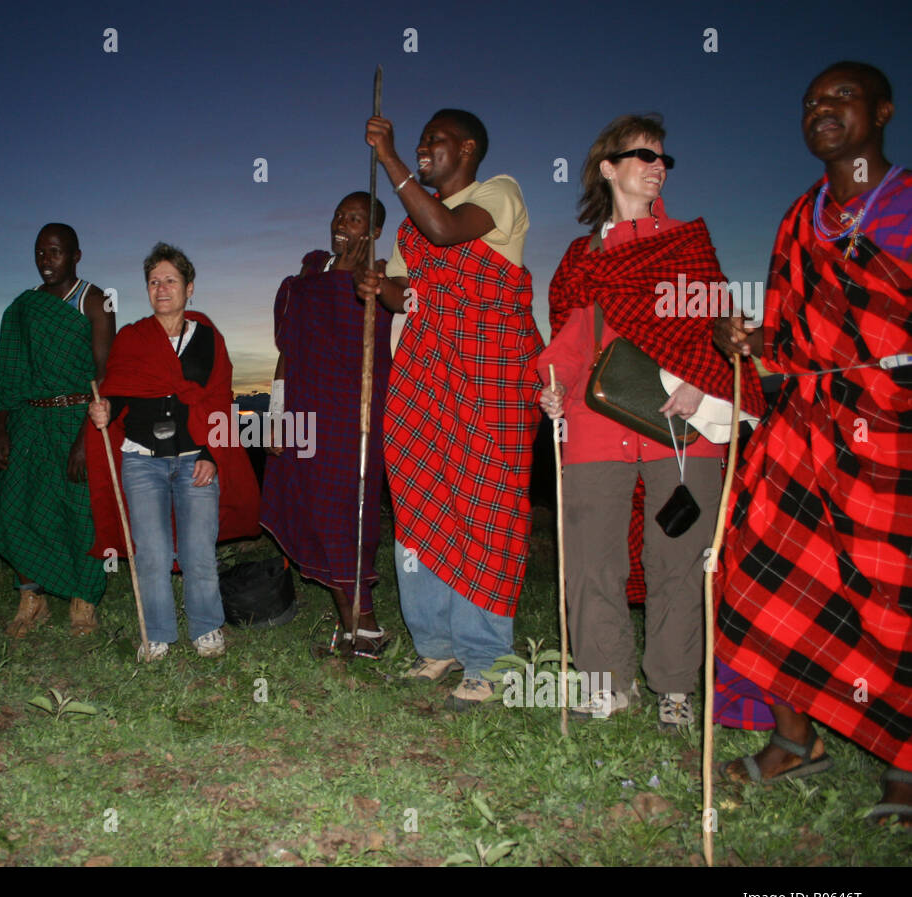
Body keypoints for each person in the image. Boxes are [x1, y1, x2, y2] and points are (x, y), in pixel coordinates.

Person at [713, 62, 912, 825]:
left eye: (841, 98)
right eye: (810, 103)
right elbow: (796, 334)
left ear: (883, 110)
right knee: (759, 574)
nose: (821, 110)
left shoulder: (905, 206)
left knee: (889, 600)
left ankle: (903, 760)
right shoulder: (801, 219)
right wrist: (748, 338)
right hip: (805, 429)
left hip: (890, 432)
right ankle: (795, 741)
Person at [538, 115, 766, 726]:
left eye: (663, 156)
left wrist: (700, 376)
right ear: (608, 168)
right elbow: (568, 341)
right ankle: (606, 684)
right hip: (595, 415)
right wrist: (551, 389)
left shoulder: (687, 243)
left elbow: (720, 328)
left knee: (679, 558)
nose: (656, 163)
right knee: (591, 559)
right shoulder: (582, 254)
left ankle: (673, 687)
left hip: (682, 418)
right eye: (641, 154)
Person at [356, 109, 543, 711]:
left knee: (485, 511)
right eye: (419, 142)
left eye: (434, 139)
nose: (422, 146)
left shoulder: (498, 194)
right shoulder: (410, 229)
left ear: (467, 146)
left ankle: (486, 661)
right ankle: (436, 644)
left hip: (488, 379)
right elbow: (412, 295)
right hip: (425, 381)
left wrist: (390, 162)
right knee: (419, 507)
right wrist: (377, 287)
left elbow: (445, 231)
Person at [86, 242, 260, 661]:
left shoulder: (208, 338)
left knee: (200, 549)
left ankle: (206, 628)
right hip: (140, 459)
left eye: (170, 280)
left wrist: (211, 455)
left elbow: (218, 399)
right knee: (152, 551)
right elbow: (118, 394)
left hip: (193, 459)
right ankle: (157, 633)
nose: (161, 288)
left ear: (189, 287)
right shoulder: (131, 338)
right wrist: (104, 408)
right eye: (153, 281)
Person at [260, 192, 392, 652]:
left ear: (373, 231)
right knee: (313, 512)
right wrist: (275, 416)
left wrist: (354, 278)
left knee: (343, 517)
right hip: (302, 408)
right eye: (339, 215)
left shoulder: (381, 278)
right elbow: (286, 353)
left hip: (350, 416)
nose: (343, 224)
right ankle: (354, 629)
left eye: (356, 219)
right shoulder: (308, 275)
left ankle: (368, 628)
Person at [0, 224, 114, 637]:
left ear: (76, 255)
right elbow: (7, 372)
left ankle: (83, 602)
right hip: (29, 421)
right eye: (41, 252)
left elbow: (104, 374)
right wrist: (1, 429)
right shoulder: (24, 308)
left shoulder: (94, 301)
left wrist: (85, 438)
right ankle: (31, 597)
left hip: (78, 418)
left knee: (82, 512)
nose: (47, 260)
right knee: (18, 504)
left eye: (56, 252)